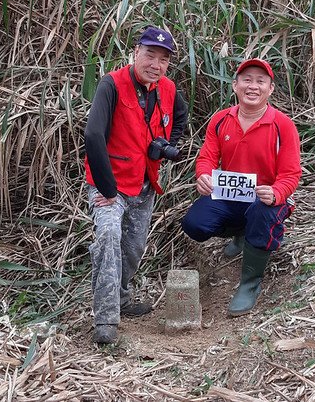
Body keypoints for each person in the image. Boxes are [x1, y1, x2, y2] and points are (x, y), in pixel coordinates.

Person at [83, 26, 188, 344]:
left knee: (133, 248)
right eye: (150, 55)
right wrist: (106, 189)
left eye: (163, 59)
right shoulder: (111, 84)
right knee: (109, 236)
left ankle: (122, 298)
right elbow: (93, 135)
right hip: (109, 186)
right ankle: (105, 320)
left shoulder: (168, 89)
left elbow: (180, 117)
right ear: (135, 53)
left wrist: (168, 143)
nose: (155, 64)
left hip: (145, 185)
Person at [181, 58, 301, 316]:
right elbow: (207, 158)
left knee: (262, 213)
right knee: (195, 224)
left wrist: (277, 192)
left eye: (260, 81)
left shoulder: (283, 125)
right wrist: (203, 176)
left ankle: (250, 283)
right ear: (235, 85)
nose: (253, 87)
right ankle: (241, 233)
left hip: (266, 198)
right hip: (230, 193)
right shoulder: (220, 119)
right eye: (247, 80)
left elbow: (291, 173)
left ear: (270, 89)